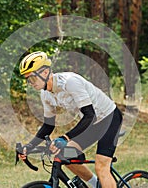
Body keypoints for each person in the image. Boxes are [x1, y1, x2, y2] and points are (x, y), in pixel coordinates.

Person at [18, 51, 122, 188]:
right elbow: (48, 126)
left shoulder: (70, 82)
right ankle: (96, 184)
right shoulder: (46, 95)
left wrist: (65, 138)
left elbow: (90, 115)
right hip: (92, 124)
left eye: (32, 78)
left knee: (101, 166)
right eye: (27, 80)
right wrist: (29, 146)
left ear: (45, 72)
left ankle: (103, 180)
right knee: (64, 155)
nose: (30, 83)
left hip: (109, 118)